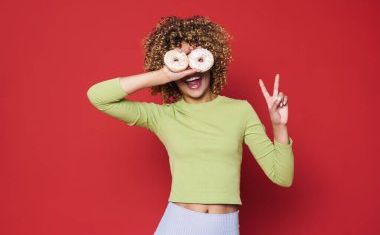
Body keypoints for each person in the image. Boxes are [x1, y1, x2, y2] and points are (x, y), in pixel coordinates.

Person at [87, 15, 294, 235]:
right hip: (179, 224)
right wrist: (163, 74)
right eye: (181, 63)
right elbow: (98, 96)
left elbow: (282, 176)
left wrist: (279, 125)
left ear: (210, 61)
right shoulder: (163, 116)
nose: (190, 73)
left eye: (196, 60)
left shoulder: (240, 110)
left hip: (225, 227)